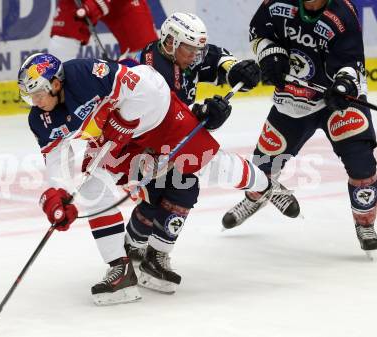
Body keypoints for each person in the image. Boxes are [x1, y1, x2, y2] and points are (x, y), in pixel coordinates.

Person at [17, 52, 299, 302]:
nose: (34, 102)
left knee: (213, 165)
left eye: (37, 93)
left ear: (55, 83)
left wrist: (124, 121)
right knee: (92, 189)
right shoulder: (39, 118)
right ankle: (121, 269)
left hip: (156, 114)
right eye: (29, 96)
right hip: (115, 137)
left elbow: (145, 86)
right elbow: (56, 159)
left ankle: (265, 186)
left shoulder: (83, 73)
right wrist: (57, 197)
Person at [123, 12, 301, 281]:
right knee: (153, 199)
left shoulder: (180, 52)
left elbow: (214, 57)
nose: (195, 55)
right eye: (190, 49)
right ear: (171, 42)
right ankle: (132, 245)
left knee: (184, 189)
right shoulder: (154, 72)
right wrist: (204, 113)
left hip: (176, 143)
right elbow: (172, 121)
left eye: (197, 49)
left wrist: (235, 68)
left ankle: (156, 255)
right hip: (148, 145)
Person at [222, 0, 377, 255]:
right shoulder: (275, 4)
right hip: (294, 99)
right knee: (261, 169)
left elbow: (351, 63)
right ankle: (256, 197)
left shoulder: (342, 14)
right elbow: (258, 32)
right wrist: (270, 53)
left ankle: (365, 223)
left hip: (338, 101)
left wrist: (342, 85)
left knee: (362, 167)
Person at [49, 0, 158, 62]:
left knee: (146, 51)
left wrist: (96, 4)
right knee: (60, 42)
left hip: (122, 3)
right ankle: (60, 91)